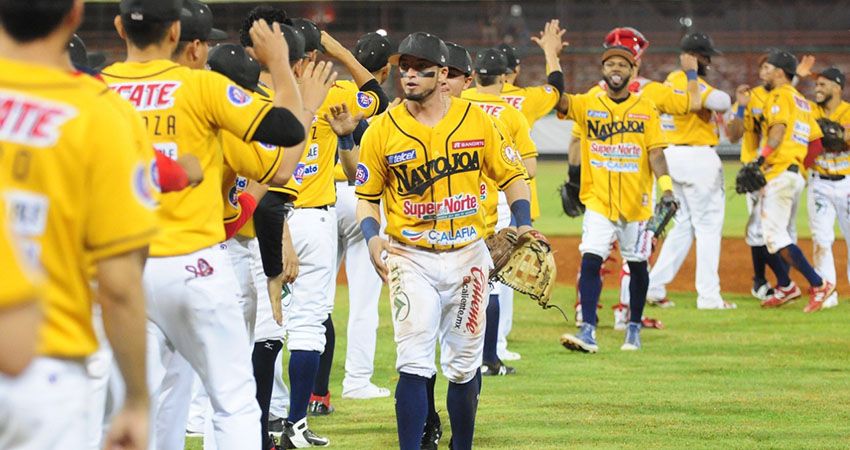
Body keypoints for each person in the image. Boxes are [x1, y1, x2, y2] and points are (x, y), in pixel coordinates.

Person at [101, 0, 309, 447]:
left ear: (119, 27)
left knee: (140, 402)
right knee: (232, 400)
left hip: (120, 269)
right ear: (176, 34)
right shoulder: (200, 88)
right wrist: (278, 64)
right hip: (194, 263)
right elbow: (289, 130)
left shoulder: (94, 89)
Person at [355, 31, 532, 450]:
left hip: (469, 255)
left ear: (443, 73)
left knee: (463, 365)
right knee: (413, 360)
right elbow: (366, 197)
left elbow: (513, 175)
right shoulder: (381, 129)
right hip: (408, 257)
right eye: (405, 69)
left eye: (421, 69)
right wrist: (370, 237)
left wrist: (521, 222)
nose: (410, 76)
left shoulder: (477, 121)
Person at [0, 1, 157, 449]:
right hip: (41, 364)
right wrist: (136, 398)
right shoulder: (100, 114)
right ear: (74, 14)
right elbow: (120, 283)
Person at [557, 44, 676, 353]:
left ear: (633, 71)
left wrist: (666, 188)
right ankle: (588, 330)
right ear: (603, 70)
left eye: (622, 65)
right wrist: (550, 55)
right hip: (598, 201)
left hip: (636, 204)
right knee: (591, 259)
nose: (616, 69)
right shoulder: (587, 104)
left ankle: (633, 328)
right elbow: (558, 98)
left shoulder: (646, 108)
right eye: (610, 64)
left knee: (637, 266)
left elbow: (656, 153)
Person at [461, 46, 543, 376]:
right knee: (491, 281)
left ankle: (459, 354)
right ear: (505, 77)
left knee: (455, 278)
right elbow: (530, 169)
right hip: (495, 201)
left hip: (458, 199)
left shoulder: (458, 104)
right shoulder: (510, 114)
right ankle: (489, 360)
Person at [645, 31, 735, 310]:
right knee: (708, 227)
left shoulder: (668, 82)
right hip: (698, 157)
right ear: (696, 57)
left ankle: (654, 286)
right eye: (706, 55)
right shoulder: (688, 82)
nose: (709, 60)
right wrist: (696, 77)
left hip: (671, 156)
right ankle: (709, 297)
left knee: (683, 225)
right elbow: (721, 102)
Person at [494, 25, 564, 361]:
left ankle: (467, 341)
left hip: (469, 195)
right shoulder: (524, 99)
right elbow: (557, 89)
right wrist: (551, 51)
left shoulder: (465, 100)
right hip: (514, 193)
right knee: (507, 271)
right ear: (514, 72)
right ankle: (498, 345)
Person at [332, 31, 395, 400]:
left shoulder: (326, 91)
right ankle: (356, 381)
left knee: (315, 301)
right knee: (364, 299)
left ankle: (312, 389)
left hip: (319, 199)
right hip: (361, 198)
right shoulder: (375, 105)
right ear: (383, 71)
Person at [753, 50, 834, 311]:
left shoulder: (778, 95)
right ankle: (787, 286)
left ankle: (818, 284)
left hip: (778, 174)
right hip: (794, 175)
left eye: (768, 68)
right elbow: (816, 143)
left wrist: (760, 160)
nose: (763, 73)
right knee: (773, 235)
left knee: (772, 236)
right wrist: (798, 168)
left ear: (779, 72)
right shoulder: (802, 101)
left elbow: (777, 131)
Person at [726, 55, 789, 301]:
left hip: (783, 169)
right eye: (761, 66)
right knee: (759, 230)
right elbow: (732, 136)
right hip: (756, 172)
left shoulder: (789, 97)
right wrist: (741, 106)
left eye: (768, 66)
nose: (762, 70)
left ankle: (783, 282)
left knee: (785, 229)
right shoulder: (750, 96)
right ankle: (762, 281)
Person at [806, 67, 850, 310]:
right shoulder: (811, 111)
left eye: (823, 85)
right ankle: (827, 291)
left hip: (847, 182)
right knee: (821, 239)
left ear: (837, 87)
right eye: (816, 85)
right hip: (820, 182)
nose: (818, 89)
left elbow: (842, 139)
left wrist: (831, 134)